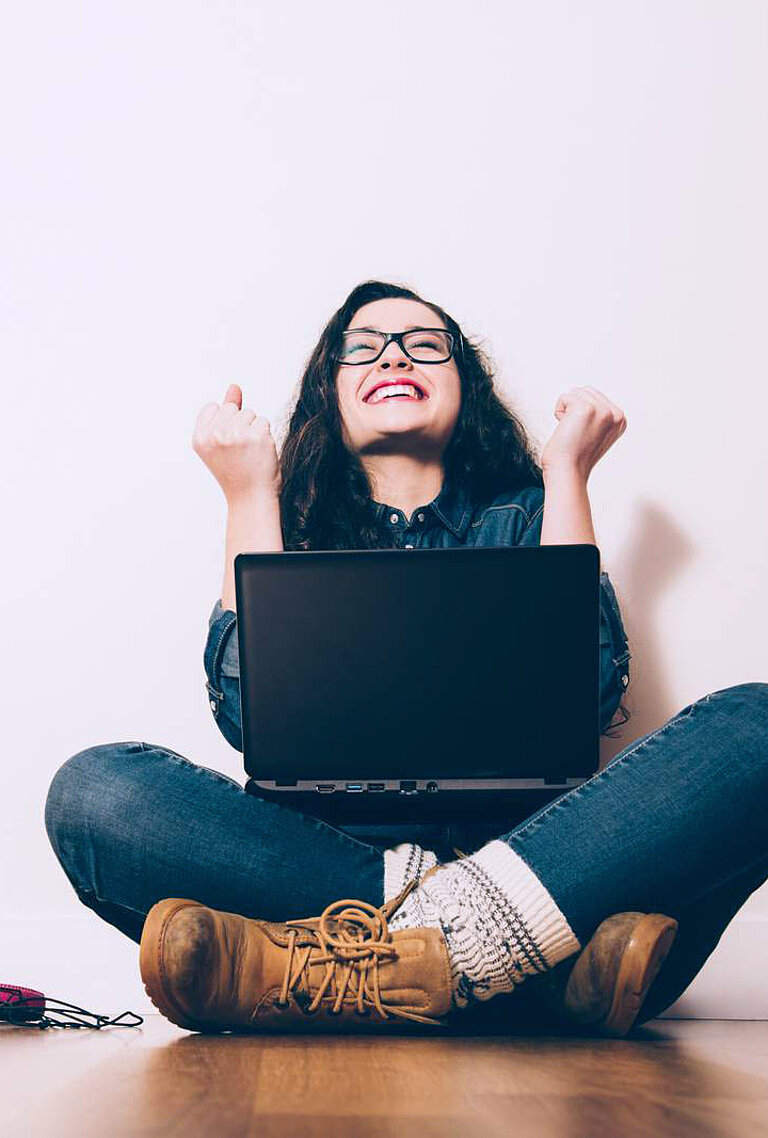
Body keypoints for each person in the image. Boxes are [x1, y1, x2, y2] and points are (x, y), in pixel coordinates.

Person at [45, 280, 768, 1038]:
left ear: (467, 384)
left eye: (426, 344)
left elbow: (584, 690)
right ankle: (516, 976)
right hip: (328, 865)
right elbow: (245, 715)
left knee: (754, 728)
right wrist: (249, 494)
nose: (395, 355)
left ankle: (340, 968)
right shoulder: (289, 528)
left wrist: (568, 477)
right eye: (364, 347)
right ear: (332, 391)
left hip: (543, 855)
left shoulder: (526, 513)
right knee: (95, 795)